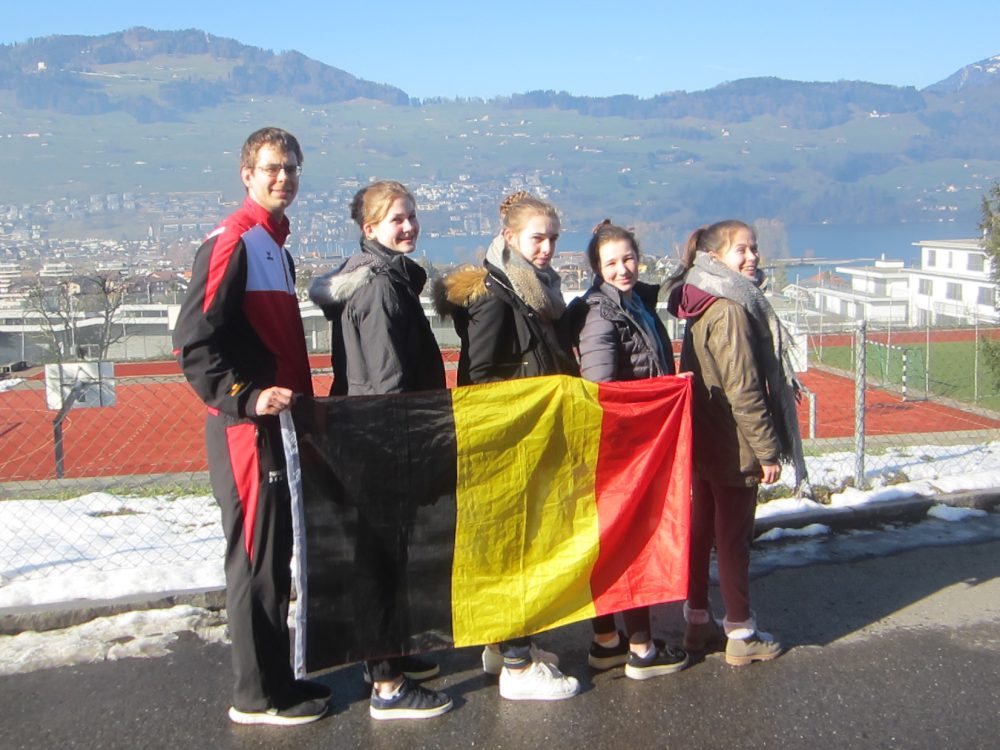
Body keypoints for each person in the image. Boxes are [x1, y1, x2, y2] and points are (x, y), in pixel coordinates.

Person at [173, 127, 329, 726]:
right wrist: (246, 397)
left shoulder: (275, 247)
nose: (282, 177)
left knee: (276, 555)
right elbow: (194, 342)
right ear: (247, 174)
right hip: (246, 430)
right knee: (254, 557)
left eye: (291, 167)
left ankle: (279, 680)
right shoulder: (232, 241)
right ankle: (256, 695)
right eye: (271, 167)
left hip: (279, 426)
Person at [308, 180, 452, 720]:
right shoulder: (381, 287)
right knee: (380, 557)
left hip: (374, 434)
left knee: (388, 554)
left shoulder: (385, 277)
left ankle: (392, 653)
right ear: (370, 230)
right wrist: (405, 441)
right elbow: (387, 379)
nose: (409, 225)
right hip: (383, 438)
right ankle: (387, 683)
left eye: (412, 215)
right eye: (397, 219)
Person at [433, 191, 581, 701]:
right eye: (537, 238)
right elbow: (477, 378)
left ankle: (506, 646)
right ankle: (517, 665)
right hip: (509, 443)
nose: (547, 248)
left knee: (525, 545)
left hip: (534, 439)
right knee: (513, 550)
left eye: (553, 239)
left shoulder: (534, 292)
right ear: (511, 238)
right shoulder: (495, 296)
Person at [666, 219, 808, 666]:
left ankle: (696, 621)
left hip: (707, 439)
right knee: (732, 539)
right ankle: (742, 634)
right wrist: (767, 450)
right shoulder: (729, 309)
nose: (753, 257)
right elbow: (744, 389)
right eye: (741, 250)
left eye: (754, 249)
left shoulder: (701, 299)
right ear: (715, 258)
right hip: (733, 443)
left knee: (703, 530)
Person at [566, 220, 689, 679]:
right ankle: (641, 647)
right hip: (625, 446)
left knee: (612, 541)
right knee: (630, 543)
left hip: (637, 442)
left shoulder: (637, 302)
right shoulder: (602, 313)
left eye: (628, 259)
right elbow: (603, 390)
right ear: (596, 269)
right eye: (611, 262)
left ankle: (607, 641)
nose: (623, 269)